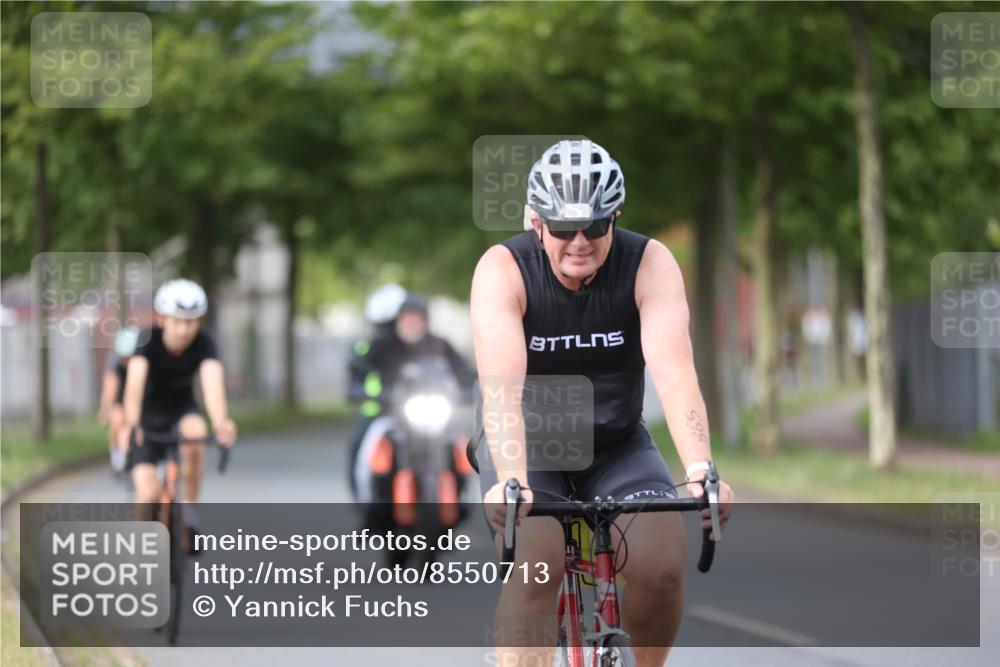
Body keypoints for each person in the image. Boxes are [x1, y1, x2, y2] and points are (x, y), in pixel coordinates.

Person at [469, 139, 734, 666]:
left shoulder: (649, 263)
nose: (580, 242)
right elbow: (502, 390)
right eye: (564, 229)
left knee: (660, 563)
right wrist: (511, 481)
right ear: (535, 222)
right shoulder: (503, 270)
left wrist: (702, 468)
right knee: (535, 565)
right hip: (529, 444)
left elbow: (676, 373)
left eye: (595, 226)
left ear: (616, 217)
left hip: (616, 443)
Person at [118, 279, 237, 531]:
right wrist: (132, 423)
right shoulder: (146, 340)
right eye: (178, 321)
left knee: (196, 432)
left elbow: (212, 385)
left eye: (191, 321)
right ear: (162, 319)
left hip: (182, 410)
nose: (184, 329)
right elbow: (134, 387)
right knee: (148, 495)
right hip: (147, 417)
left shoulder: (205, 343)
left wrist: (220, 424)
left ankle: (189, 509)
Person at [348, 293, 475, 501]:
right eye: (406, 318)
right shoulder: (382, 345)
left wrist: (471, 391)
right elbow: (358, 373)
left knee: (462, 444)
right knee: (361, 445)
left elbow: (465, 374)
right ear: (397, 321)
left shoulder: (440, 344)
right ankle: (364, 499)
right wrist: (362, 392)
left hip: (435, 414)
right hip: (389, 413)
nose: (411, 323)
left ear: (425, 321)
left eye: (417, 318)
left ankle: (463, 495)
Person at [98, 326, 140, 473]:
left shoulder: (144, 361)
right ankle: (116, 450)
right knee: (118, 419)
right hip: (121, 396)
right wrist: (106, 408)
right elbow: (110, 389)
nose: (128, 360)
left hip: (139, 397)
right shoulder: (115, 362)